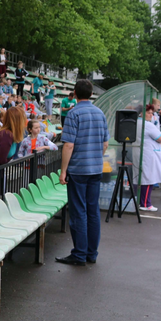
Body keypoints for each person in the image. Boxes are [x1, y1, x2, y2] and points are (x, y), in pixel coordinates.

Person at [57, 80, 109, 266]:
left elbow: (68, 145)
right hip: (95, 168)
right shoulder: (100, 113)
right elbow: (105, 144)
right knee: (93, 211)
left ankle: (79, 253)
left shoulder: (73, 113)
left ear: (75, 93)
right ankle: (91, 253)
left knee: (78, 211)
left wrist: (63, 171)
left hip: (78, 169)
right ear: (91, 93)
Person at [137, 104, 161, 212]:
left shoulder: (135, 123)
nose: (151, 115)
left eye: (152, 113)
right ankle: (145, 204)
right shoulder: (147, 125)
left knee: (140, 179)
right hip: (148, 155)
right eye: (149, 113)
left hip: (139, 153)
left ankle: (140, 201)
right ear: (141, 113)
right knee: (148, 179)